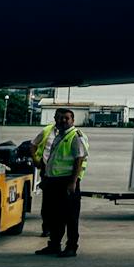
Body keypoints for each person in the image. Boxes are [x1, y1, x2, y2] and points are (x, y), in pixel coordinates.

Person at [32, 108, 89, 258]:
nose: (62, 121)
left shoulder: (75, 136)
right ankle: (54, 245)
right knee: (55, 216)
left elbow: (79, 159)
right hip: (54, 181)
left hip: (67, 181)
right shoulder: (58, 135)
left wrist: (73, 182)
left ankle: (71, 247)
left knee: (70, 216)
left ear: (72, 121)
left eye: (66, 118)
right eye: (59, 118)